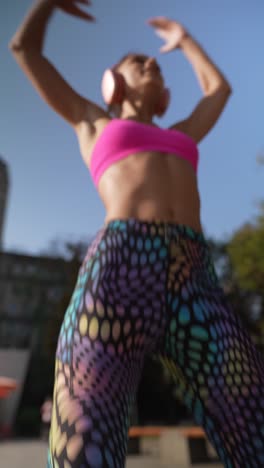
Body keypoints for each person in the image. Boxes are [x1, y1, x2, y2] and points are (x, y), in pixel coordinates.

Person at [9, 1, 264, 467]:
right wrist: (46, 5)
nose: (151, 63)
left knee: (251, 411)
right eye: (138, 61)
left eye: (156, 64)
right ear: (115, 82)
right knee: (85, 430)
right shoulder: (93, 120)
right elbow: (24, 48)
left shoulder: (184, 133)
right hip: (120, 269)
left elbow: (218, 89)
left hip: (195, 275)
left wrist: (184, 40)